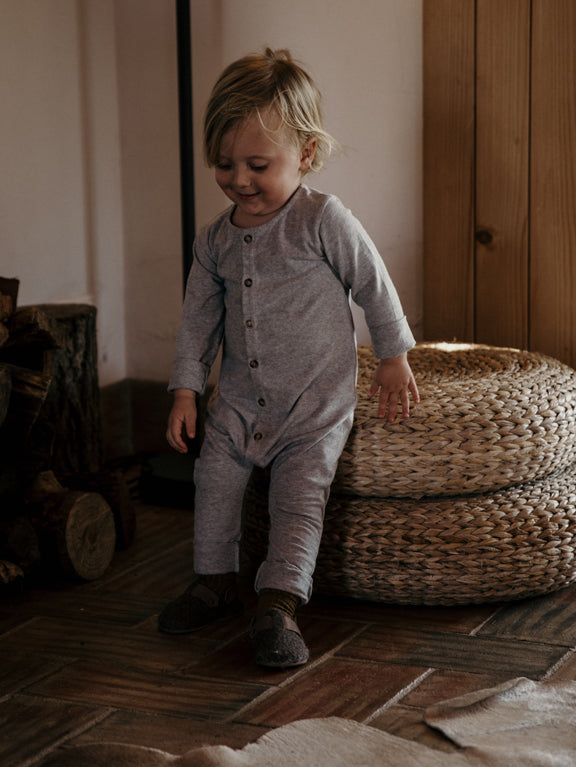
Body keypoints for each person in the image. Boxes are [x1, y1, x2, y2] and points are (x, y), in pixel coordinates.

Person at [158, 48, 419, 668]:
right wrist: (186, 391)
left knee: (298, 500)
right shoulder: (214, 242)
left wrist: (393, 355)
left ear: (305, 153)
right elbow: (198, 322)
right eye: (224, 164)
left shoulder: (323, 220)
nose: (240, 180)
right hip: (239, 403)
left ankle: (278, 604)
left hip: (313, 406)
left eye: (258, 165)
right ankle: (215, 581)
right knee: (213, 480)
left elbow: (373, 283)